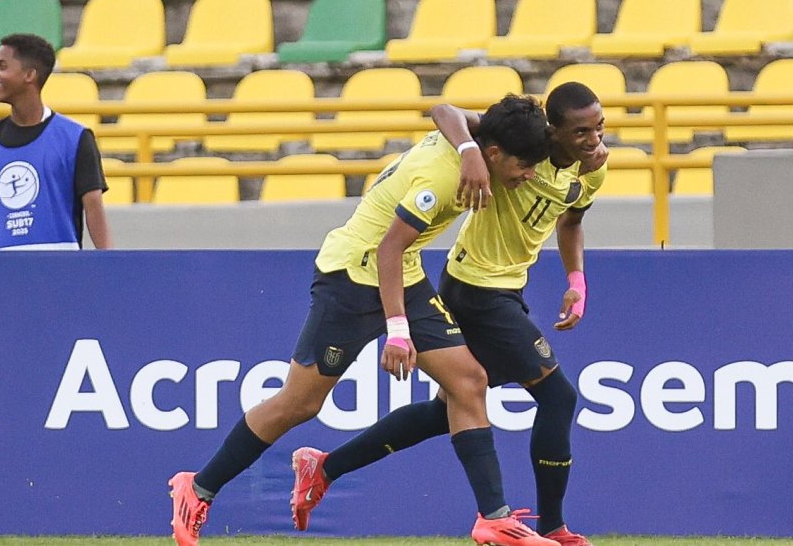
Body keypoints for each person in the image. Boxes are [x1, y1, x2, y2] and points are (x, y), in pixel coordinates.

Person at [168, 95, 561, 546]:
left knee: (468, 380)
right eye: (526, 165)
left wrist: (470, 151)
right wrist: (397, 331)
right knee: (300, 403)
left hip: (403, 274)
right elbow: (386, 249)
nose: (529, 175)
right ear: (494, 153)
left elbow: (445, 109)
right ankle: (197, 488)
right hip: (353, 275)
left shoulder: (479, 139)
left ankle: (494, 519)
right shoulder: (443, 176)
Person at [299, 82, 608, 546]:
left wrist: (576, 281)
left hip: (509, 288)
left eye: (599, 127)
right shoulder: (525, 150)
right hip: (475, 288)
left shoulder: (592, 172)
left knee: (449, 407)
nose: (594, 139)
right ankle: (551, 527)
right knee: (558, 397)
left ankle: (325, 467)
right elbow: (444, 110)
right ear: (554, 132)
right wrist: (468, 152)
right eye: (581, 131)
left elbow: (572, 221)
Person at [0, 33, 111, 250]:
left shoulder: (75, 138)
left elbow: (94, 208)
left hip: (58, 274)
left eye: (2, 66)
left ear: (30, 74)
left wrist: (110, 267)